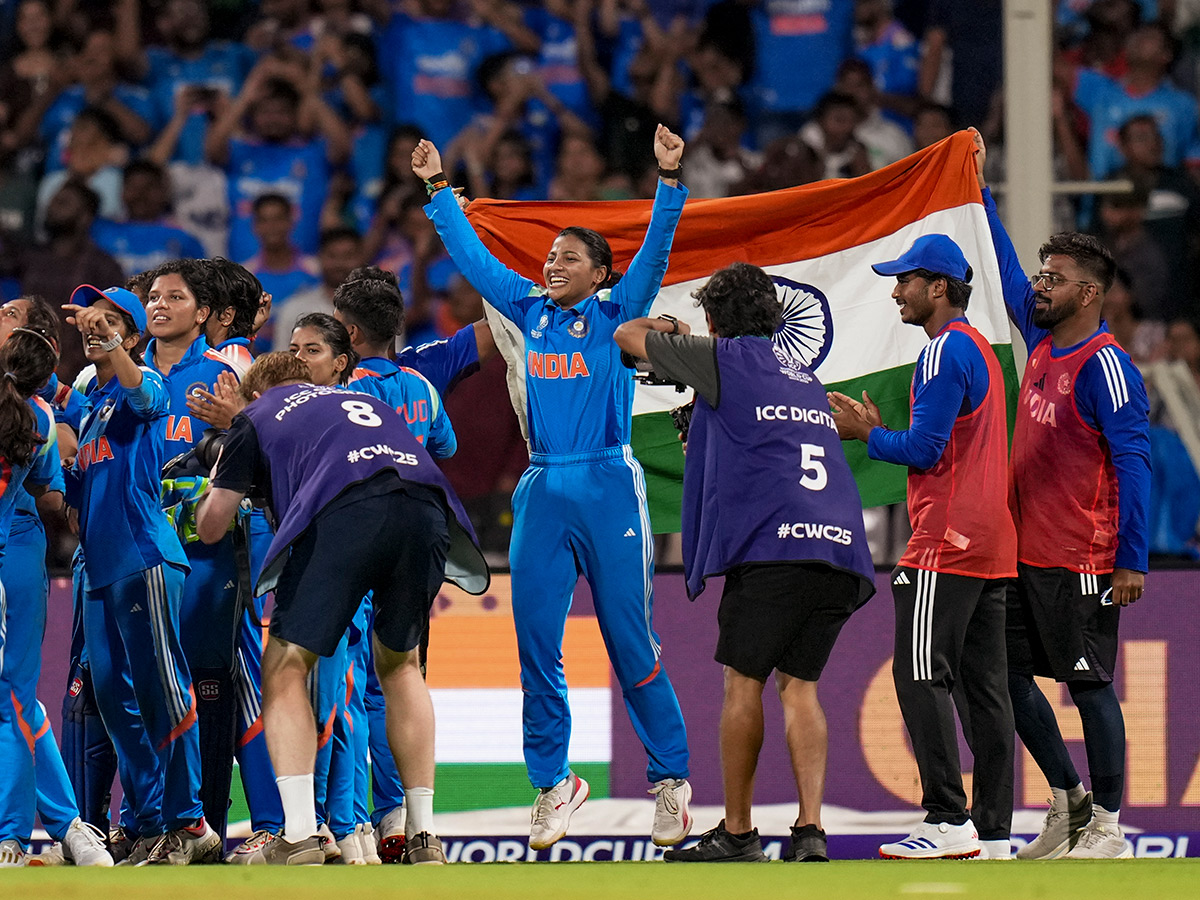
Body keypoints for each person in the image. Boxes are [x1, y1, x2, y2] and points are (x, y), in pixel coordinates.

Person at [413, 125, 694, 851]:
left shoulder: (616, 312)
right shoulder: (530, 311)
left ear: (600, 274)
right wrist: (438, 190)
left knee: (629, 641)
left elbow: (656, 251)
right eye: (550, 255)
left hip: (608, 480)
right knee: (536, 644)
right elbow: (476, 262)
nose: (552, 263)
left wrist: (668, 180)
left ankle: (670, 779)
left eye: (569, 257)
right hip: (542, 485)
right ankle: (553, 784)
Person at [614, 262, 875, 863]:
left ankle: (737, 833)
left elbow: (626, 335)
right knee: (800, 688)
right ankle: (810, 831)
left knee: (742, 683)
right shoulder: (802, 374)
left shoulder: (724, 358)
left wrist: (671, 329)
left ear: (713, 319)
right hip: (838, 549)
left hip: (774, 548)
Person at [194, 352, 488, 865]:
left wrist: (219, 471)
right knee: (402, 665)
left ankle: (300, 834)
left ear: (256, 394)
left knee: (285, 664)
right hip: (426, 507)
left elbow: (212, 526)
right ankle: (424, 834)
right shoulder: (356, 400)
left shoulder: (255, 416)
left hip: (346, 508)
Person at [974, 128, 1151, 859]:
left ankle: (1109, 825)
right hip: (1024, 552)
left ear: (1089, 292)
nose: (1039, 286)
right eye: (1042, 276)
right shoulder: (1044, 339)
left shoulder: (1107, 366)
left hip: (1083, 557)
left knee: (1088, 687)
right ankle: (1069, 800)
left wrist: (1131, 559)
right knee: (1006, 676)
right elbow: (1005, 264)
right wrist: (976, 188)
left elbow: (1135, 464)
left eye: (1054, 278)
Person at [829, 233, 1018, 860]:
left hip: (945, 541)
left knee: (918, 674)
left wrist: (864, 433)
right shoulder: (981, 348)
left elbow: (926, 450)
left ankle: (946, 819)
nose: (896, 293)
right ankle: (993, 831)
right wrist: (879, 430)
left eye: (905, 280)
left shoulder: (941, 351)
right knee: (984, 688)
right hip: (990, 540)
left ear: (938, 287)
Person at [61, 284, 217, 866]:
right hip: (100, 569)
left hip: (144, 557)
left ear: (130, 337)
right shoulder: (93, 405)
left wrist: (114, 345)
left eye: (109, 322)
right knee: (113, 698)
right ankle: (151, 821)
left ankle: (190, 823)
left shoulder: (144, 380)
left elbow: (147, 399)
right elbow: (77, 491)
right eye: (90, 321)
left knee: (162, 690)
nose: (94, 328)